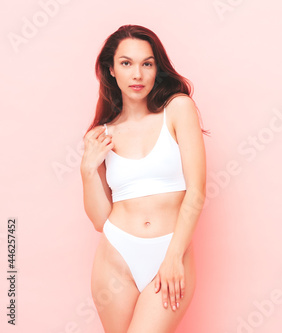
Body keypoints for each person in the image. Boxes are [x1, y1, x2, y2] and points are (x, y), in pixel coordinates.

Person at [80, 24, 209, 332]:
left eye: (146, 64)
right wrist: (87, 171)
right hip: (115, 258)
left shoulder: (178, 109)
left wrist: (174, 257)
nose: (137, 74)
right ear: (111, 69)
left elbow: (197, 193)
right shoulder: (101, 134)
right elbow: (101, 221)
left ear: (156, 68)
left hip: (170, 250)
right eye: (126, 63)